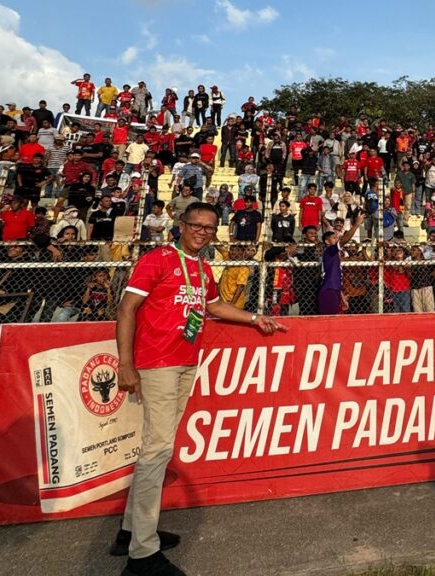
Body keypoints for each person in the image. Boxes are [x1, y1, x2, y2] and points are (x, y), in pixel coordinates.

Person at [114, 203, 287, 576]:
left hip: (185, 361)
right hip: (157, 362)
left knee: (157, 446)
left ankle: (130, 531)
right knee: (157, 450)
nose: (202, 232)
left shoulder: (202, 267)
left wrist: (255, 319)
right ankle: (142, 555)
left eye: (209, 228)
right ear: (181, 225)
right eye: (196, 225)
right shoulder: (157, 259)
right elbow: (127, 308)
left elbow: (214, 305)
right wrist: (125, 363)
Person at [318, 211, 365, 314]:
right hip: (329, 290)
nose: (337, 239)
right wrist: (357, 224)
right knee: (328, 321)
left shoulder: (334, 254)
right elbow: (345, 240)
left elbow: (336, 278)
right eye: (334, 238)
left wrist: (342, 297)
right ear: (327, 242)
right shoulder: (330, 251)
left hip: (334, 290)